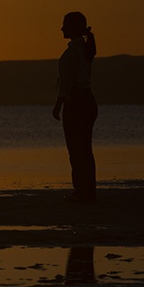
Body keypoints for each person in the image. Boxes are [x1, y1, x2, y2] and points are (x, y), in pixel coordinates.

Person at [52, 11, 98, 203]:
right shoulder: (85, 50)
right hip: (87, 99)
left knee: (76, 148)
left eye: (65, 25)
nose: (62, 28)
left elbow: (67, 83)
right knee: (85, 148)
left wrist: (58, 104)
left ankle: (81, 190)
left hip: (76, 101)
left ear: (73, 28)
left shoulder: (73, 52)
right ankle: (88, 189)